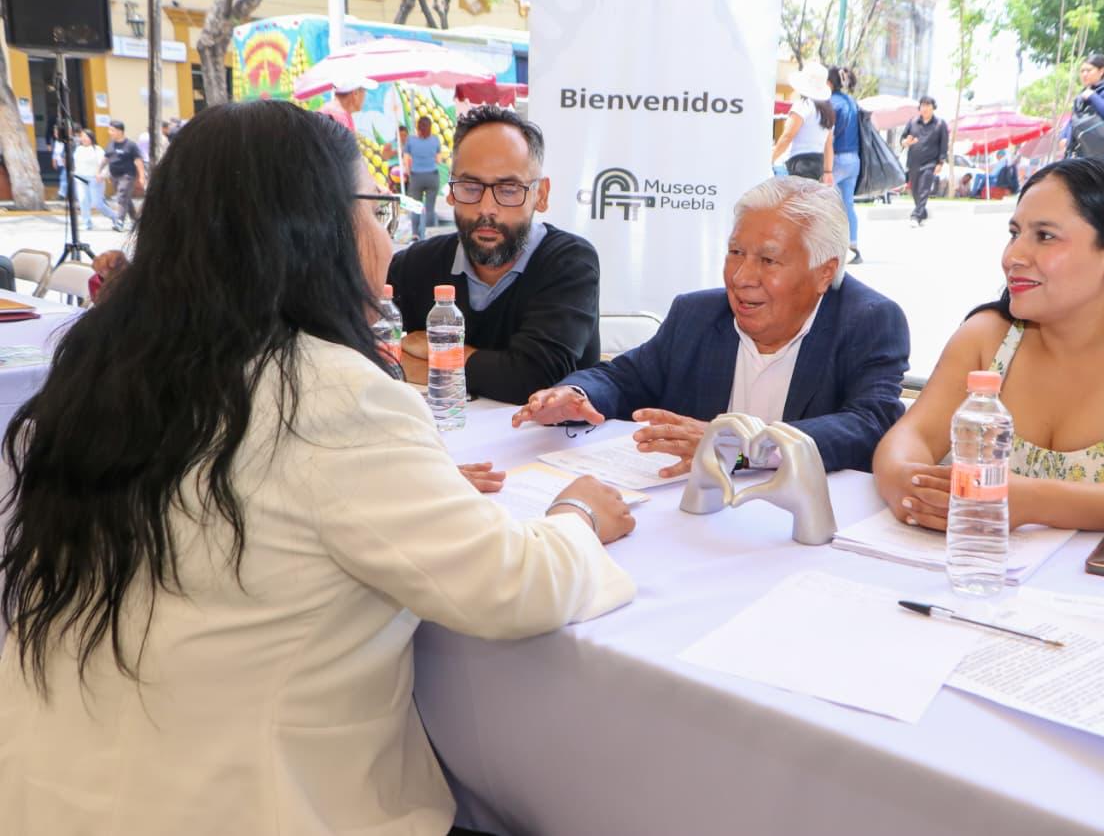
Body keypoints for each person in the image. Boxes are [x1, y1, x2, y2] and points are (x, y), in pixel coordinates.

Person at [0, 99, 636, 835]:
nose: (388, 238)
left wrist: (408, 487)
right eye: (376, 210)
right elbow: (513, 586)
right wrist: (578, 514)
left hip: (51, 794)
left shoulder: (101, 370)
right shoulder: (331, 392)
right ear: (313, 230)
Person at [872, 157, 1104, 536]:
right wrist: (908, 483)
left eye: (1045, 236)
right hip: (999, 569)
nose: (1012, 257)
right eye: (1014, 233)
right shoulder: (987, 337)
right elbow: (910, 438)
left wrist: (1029, 502)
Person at [512, 176, 910, 476]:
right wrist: (574, 395)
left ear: (824, 272)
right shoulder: (698, 315)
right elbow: (623, 378)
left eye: (768, 261)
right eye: (735, 252)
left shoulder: (868, 321)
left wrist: (745, 447)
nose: (741, 277)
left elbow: (867, 426)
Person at [388, 105, 601, 404]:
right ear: (451, 191)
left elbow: (537, 377)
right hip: (441, 431)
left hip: (545, 434)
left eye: (509, 189)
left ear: (541, 195)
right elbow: (361, 344)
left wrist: (438, 357)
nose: (486, 208)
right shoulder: (415, 265)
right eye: (470, 187)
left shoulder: (569, 263)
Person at [824, 65, 863, 264]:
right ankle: (853, 247)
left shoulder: (830, 103)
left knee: (821, 200)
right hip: (854, 159)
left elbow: (828, 137)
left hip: (837, 158)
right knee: (848, 204)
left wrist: (826, 167)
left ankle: (823, 248)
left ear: (829, 82)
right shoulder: (852, 102)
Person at [771, 62, 835, 182]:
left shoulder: (803, 105)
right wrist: (828, 171)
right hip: (818, 163)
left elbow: (787, 136)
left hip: (799, 163)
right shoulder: (828, 111)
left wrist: (771, 158)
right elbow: (828, 144)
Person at [1060, 53, 1104, 159]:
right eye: (1082, 71)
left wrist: (1093, 97)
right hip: (1075, 153)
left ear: (1101, 71)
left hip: (1096, 155)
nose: (1084, 74)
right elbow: (1074, 119)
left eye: (1089, 70)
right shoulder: (1082, 94)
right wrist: (1064, 135)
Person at [902, 96, 949, 227]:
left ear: (933, 108)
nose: (925, 108)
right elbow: (903, 139)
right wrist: (906, 142)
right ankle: (922, 212)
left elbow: (943, 145)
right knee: (915, 191)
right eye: (923, 105)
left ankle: (915, 216)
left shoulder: (940, 124)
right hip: (913, 162)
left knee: (924, 189)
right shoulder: (913, 122)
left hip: (930, 163)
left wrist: (940, 162)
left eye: (928, 105)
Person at [98, 119, 145, 232]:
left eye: (112, 130)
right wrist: (98, 171)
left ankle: (120, 222)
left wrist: (142, 176)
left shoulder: (131, 145)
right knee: (125, 198)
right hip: (114, 176)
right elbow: (105, 159)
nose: (109, 132)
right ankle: (136, 221)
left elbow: (138, 161)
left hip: (127, 175)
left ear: (120, 131)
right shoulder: (111, 144)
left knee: (122, 195)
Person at [404, 115, 443, 236]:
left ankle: (415, 234)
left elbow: (406, 160)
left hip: (416, 177)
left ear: (418, 127)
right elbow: (438, 160)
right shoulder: (435, 140)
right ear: (430, 128)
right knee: (430, 208)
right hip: (432, 176)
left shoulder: (410, 140)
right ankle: (428, 234)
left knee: (416, 207)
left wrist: (409, 172)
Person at [72, 127, 114, 231]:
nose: (84, 139)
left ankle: (115, 217)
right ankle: (87, 223)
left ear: (91, 138)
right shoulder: (78, 149)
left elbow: (104, 164)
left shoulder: (97, 150)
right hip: (80, 178)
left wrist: (102, 175)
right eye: (82, 136)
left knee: (97, 203)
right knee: (83, 200)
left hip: (94, 179)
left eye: (86, 136)